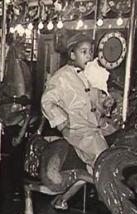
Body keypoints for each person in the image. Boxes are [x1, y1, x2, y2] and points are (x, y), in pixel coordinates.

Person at [41, 33, 117, 172]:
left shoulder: (91, 74)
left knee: (122, 141)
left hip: (99, 126)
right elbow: (47, 101)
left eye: (90, 52)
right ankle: (103, 185)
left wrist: (105, 103)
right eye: (84, 52)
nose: (89, 56)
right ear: (72, 55)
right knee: (104, 158)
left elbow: (95, 100)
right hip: (78, 130)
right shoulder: (62, 77)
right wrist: (61, 122)